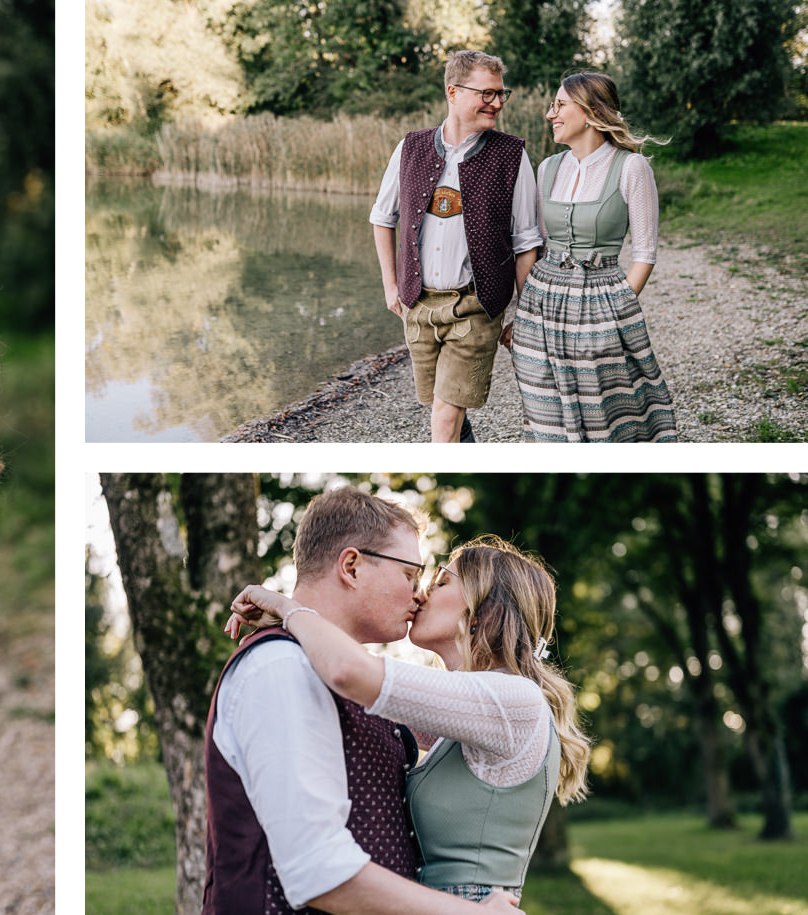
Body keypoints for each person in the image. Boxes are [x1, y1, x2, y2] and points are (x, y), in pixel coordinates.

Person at [202, 488, 522, 914]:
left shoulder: (347, 677)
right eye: (410, 575)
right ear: (351, 566)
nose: (419, 595)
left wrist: (294, 615)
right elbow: (318, 871)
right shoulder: (281, 667)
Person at [227, 534, 591, 903]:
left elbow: (348, 671)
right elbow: (359, 700)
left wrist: (289, 609)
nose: (421, 594)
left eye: (441, 582)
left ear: (485, 612)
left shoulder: (513, 702)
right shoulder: (473, 710)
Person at [371, 50, 543, 443]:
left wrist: (524, 313)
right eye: (487, 93)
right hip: (418, 305)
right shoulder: (410, 148)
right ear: (453, 92)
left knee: (446, 413)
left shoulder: (512, 155)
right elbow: (383, 217)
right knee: (440, 403)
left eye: (501, 94)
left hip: (476, 306)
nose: (497, 102)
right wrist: (391, 287)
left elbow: (526, 241)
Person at [511, 72, 678, 441]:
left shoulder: (631, 167)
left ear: (590, 112)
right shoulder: (548, 168)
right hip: (540, 305)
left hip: (600, 304)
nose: (550, 114)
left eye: (559, 105)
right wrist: (522, 311)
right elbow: (538, 242)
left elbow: (645, 252)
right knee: (544, 413)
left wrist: (618, 308)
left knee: (603, 411)